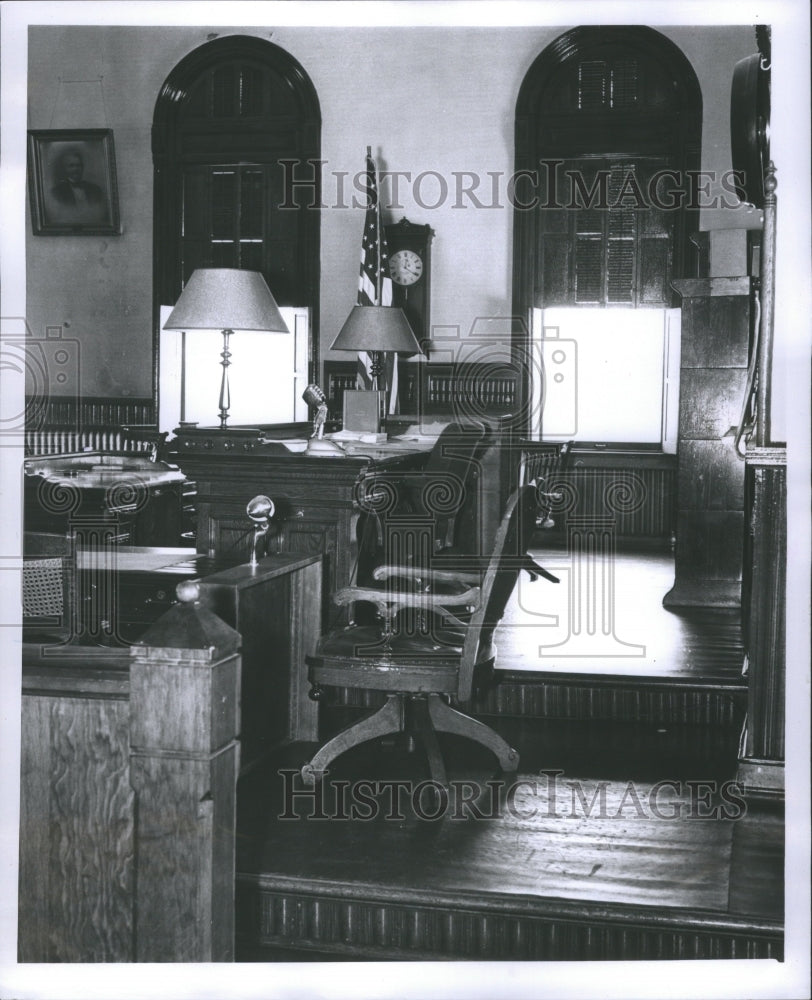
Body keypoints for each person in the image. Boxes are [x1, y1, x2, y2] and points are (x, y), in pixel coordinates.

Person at [48, 148, 107, 223]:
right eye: (71, 166)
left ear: (82, 168)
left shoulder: (95, 189)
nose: (76, 169)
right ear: (65, 169)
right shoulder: (56, 192)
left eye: (78, 165)